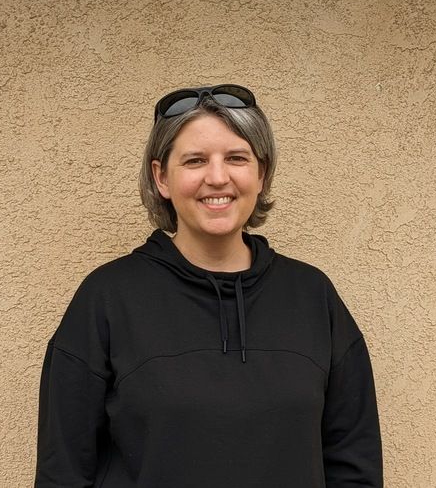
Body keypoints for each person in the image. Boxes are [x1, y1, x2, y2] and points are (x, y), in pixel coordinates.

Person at [34, 84, 383, 487]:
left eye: (236, 158)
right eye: (195, 161)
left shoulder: (312, 297)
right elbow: (63, 473)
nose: (217, 178)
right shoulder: (108, 299)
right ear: (162, 177)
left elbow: (355, 466)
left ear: (261, 173)